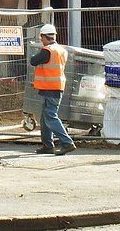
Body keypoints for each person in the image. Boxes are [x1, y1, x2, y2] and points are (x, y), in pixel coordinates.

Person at [29, 22, 76, 155]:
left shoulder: (47, 51)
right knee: (45, 117)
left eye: (41, 38)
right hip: (56, 87)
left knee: (50, 116)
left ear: (44, 37)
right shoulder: (62, 50)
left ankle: (67, 143)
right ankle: (47, 145)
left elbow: (33, 61)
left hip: (50, 88)